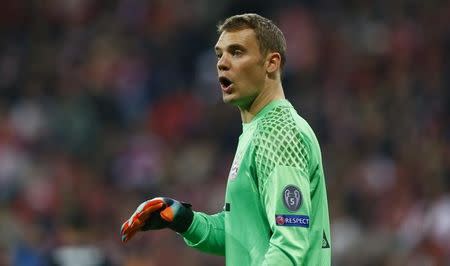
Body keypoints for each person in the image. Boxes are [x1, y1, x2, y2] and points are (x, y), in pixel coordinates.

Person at [120, 13, 331, 265]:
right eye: (219, 54)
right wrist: (184, 220)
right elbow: (242, 234)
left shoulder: (279, 132)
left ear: (271, 63)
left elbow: (290, 244)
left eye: (237, 52)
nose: (222, 63)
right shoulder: (257, 130)